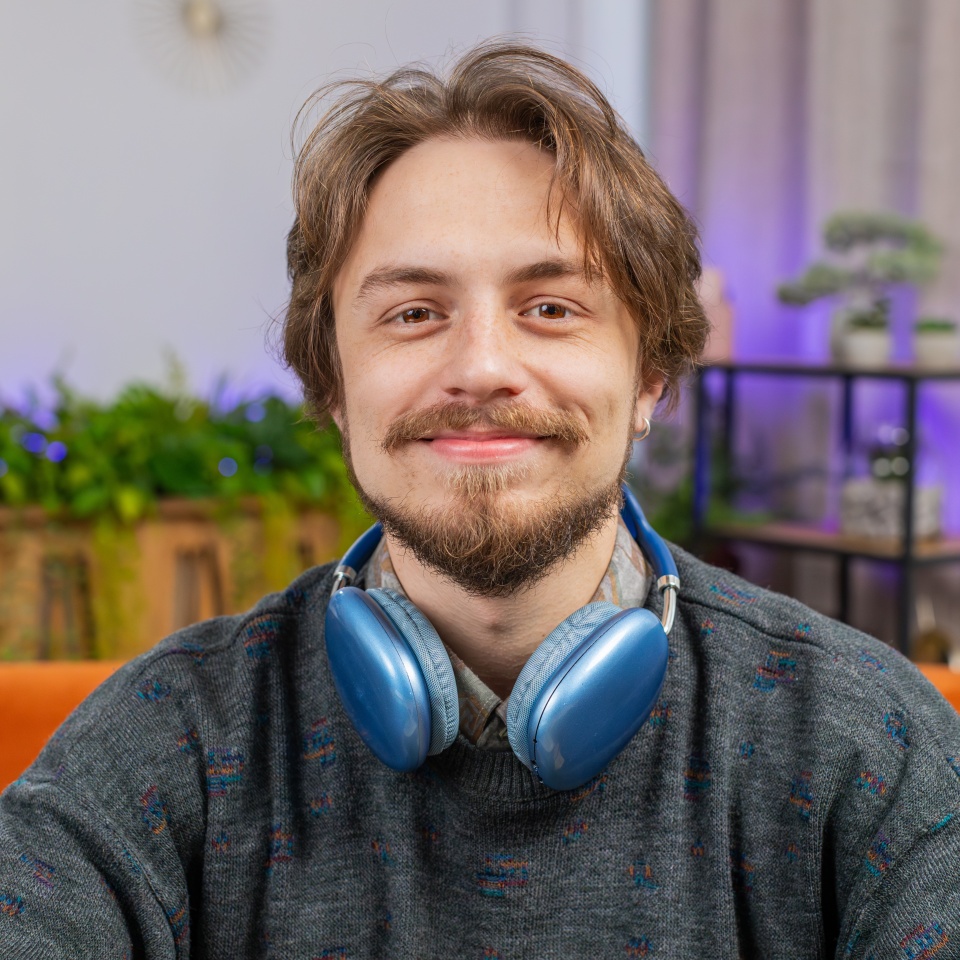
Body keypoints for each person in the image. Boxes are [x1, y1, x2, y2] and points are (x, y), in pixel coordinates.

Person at [2, 41, 959, 959]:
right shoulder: (169, 739)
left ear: (652, 378)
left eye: (550, 308)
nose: (482, 368)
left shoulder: (870, 746)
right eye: (415, 313)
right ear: (333, 383)